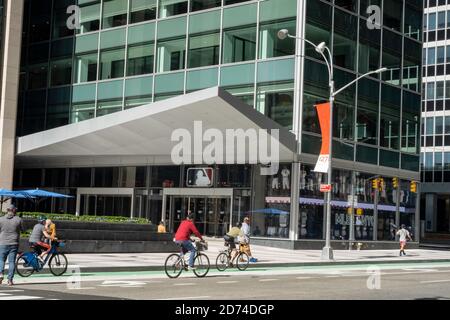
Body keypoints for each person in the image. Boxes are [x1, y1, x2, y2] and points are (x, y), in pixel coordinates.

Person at [0, 205, 23, 286]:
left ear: (7, 210)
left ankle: (0, 275)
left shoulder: (1, 219)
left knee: (1, 260)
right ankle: (10, 280)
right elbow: (23, 229)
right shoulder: (18, 219)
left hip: (2, 242)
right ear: (13, 210)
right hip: (14, 243)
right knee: (11, 262)